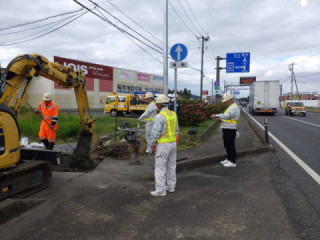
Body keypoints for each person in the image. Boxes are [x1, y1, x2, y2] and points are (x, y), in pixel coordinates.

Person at [149, 94, 179, 197]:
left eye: (157, 104)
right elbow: (177, 131)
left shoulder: (159, 116)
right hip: (173, 144)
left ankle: (160, 190)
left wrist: (152, 144)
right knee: (171, 166)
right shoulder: (173, 114)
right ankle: (171, 187)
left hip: (163, 145)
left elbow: (155, 133)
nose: (157, 106)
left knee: (160, 167)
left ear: (160, 105)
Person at [210, 93, 240, 167]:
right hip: (226, 128)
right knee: (227, 145)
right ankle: (229, 159)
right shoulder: (231, 107)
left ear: (230, 100)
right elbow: (228, 118)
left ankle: (232, 162)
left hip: (230, 129)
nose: (225, 103)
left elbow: (228, 116)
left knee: (230, 145)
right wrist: (221, 119)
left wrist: (216, 115)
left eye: (226, 101)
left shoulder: (234, 107)